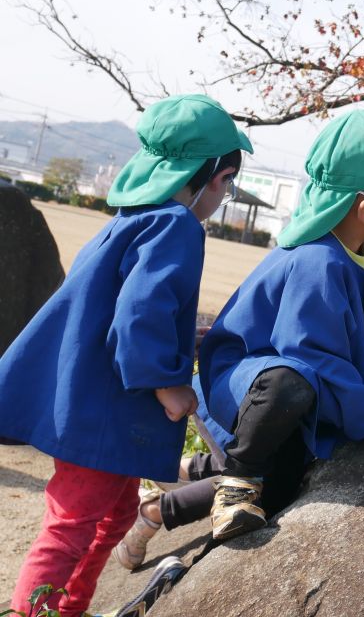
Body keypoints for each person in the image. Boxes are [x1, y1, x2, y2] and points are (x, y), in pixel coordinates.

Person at [0, 94, 253, 617]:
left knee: (113, 517)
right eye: (227, 182)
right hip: (106, 410)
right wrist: (168, 380)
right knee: (73, 521)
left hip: (88, 397)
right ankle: (35, 611)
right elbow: (140, 315)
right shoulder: (177, 225)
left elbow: (121, 306)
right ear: (210, 175)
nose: (224, 194)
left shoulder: (132, 217)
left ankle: (67, 608)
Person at [194, 108, 364, 543]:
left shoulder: (356, 252)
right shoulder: (317, 261)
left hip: (292, 384)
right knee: (290, 381)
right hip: (251, 386)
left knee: (281, 491)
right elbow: (309, 354)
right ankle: (236, 484)